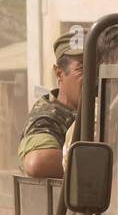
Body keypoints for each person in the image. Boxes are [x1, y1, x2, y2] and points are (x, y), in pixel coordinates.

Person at [19, 30, 82, 178]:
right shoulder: (49, 117)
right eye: (82, 68)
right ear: (59, 73)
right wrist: (106, 167)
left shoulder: (105, 107)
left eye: (97, 68)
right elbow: (37, 163)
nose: (93, 77)